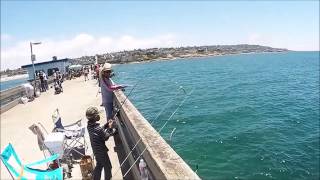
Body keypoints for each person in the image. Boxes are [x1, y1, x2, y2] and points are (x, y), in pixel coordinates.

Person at [86, 107, 115, 180]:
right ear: (95, 117)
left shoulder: (89, 126)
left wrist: (106, 125)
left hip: (96, 150)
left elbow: (99, 130)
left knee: (99, 165)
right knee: (108, 167)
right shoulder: (98, 128)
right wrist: (110, 128)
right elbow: (106, 137)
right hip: (101, 152)